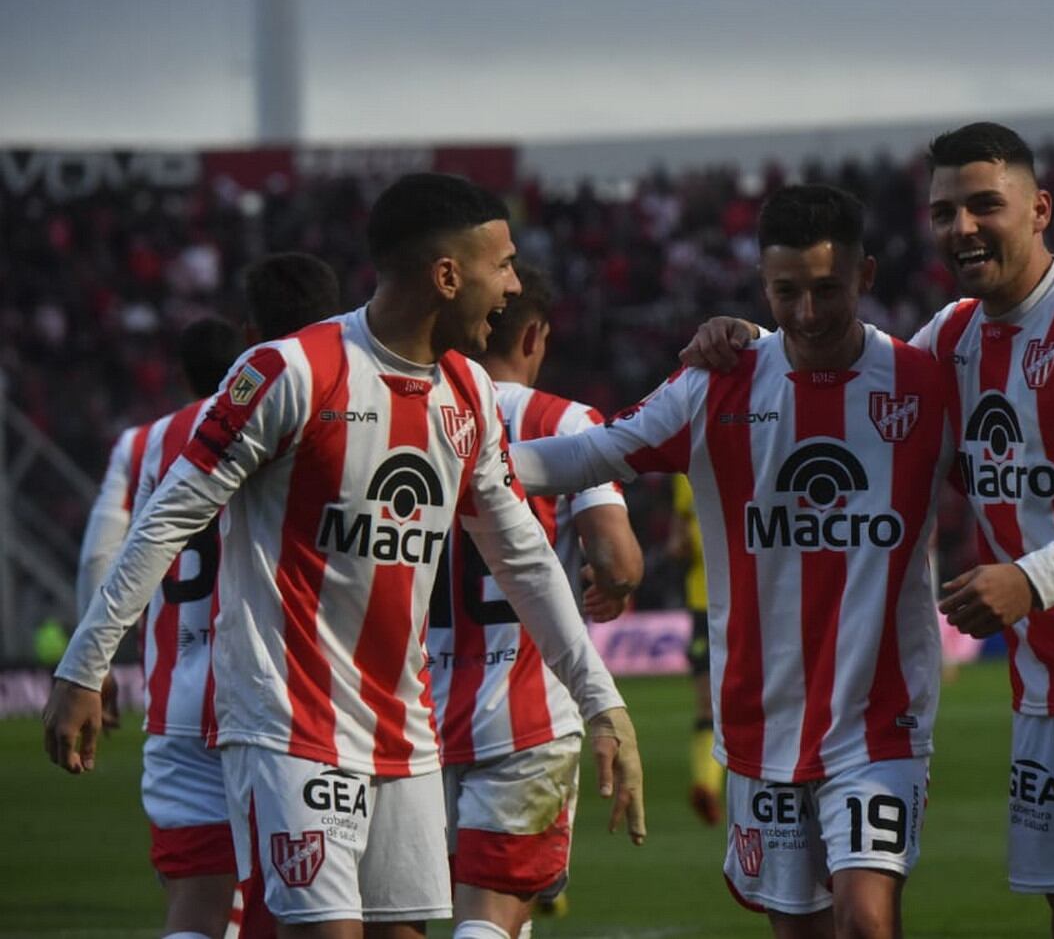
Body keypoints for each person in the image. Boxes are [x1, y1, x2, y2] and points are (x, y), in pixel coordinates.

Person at [45, 173, 645, 939]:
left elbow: (524, 557)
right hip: (289, 722)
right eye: (504, 265)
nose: (515, 285)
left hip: (404, 730)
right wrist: (84, 666)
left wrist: (603, 703)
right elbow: (163, 520)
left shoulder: (465, 395)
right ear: (447, 274)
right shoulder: (289, 372)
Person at [687, 124, 1054, 939]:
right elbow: (847, 389)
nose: (963, 228)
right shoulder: (946, 341)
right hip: (1047, 689)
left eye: (986, 205)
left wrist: (1032, 580)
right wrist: (746, 343)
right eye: (945, 211)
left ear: (1039, 208)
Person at [512, 184, 956, 939]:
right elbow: (590, 453)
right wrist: (452, 459)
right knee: (801, 930)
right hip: (762, 718)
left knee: (867, 922)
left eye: (828, 290)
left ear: (867, 276)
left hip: (883, 718)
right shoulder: (716, 383)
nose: (808, 314)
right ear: (761, 284)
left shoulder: (927, 385)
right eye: (786, 293)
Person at [73, 253, 344, 939]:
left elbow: (100, 556)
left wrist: (91, 662)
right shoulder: (325, 417)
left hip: (178, 701)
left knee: (194, 909)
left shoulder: (143, 443)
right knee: (298, 905)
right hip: (284, 700)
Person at [429, 261, 644, 939]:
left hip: (416, 707)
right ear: (533, 338)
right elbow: (615, 557)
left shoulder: (417, 408)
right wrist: (612, 581)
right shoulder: (564, 418)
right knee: (492, 917)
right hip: (526, 709)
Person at [666, 470, 725, 825]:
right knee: (707, 700)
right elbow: (677, 541)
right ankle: (706, 786)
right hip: (703, 600)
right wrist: (683, 543)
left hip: (748, 602)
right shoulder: (683, 476)